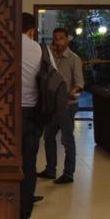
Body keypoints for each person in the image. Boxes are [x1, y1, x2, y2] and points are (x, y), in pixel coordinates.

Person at [38, 26, 84, 184]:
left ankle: (68, 173)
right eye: (55, 39)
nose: (58, 42)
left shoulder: (73, 59)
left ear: (67, 40)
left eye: (61, 39)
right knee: (48, 137)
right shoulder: (51, 58)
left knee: (67, 140)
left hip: (67, 105)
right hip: (53, 105)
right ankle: (50, 169)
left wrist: (71, 92)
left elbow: (79, 83)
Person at [20, 12, 44, 219]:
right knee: (28, 165)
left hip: (4, 116)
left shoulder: (2, 47)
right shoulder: (39, 49)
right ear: (32, 31)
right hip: (31, 114)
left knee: (5, 164)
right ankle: (23, 216)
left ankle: (2, 209)